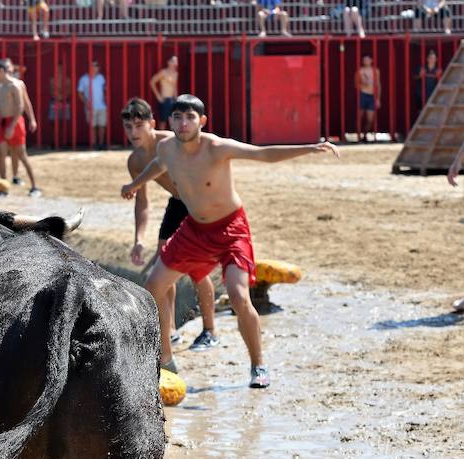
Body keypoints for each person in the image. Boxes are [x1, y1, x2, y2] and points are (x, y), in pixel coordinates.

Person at [121, 94, 339, 388]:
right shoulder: (166, 147)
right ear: (169, 121)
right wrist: (134, 185)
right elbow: (158, 165)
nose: (183, 123)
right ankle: (166, 360)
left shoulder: (216, 147)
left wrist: (309, 148)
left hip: (230, 229)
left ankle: (258, 365)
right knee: (153, 285)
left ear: (202, 121)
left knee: (238, 296)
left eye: (190, 118)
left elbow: (263, 154)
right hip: (194, 229)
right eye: (177, 118)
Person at [122, 97, 218, 351]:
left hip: (200, 202)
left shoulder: (172, 141)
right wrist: (138, 239)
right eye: (128, 127)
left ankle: (210, 330)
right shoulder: (135, 161)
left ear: (152, 124)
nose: (133, 132)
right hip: (177, 203)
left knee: (196, 267)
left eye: (139, 125)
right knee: (164, 260)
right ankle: (171, 329)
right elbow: (141, 203)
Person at [0, 60, 41, 196]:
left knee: (21, 155)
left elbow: (20, 106)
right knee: (1, 154)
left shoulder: (15, 85)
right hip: (2, 122)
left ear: (2, 71)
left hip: (15, 122)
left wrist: (13, 126)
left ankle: (34, 186)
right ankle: (2, 187)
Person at [78, 60, 108, 150]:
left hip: (102, 106)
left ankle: (101, 143)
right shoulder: (84, 79)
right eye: (93, 66)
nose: (94, 68)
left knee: (102, 125)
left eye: (96, 66)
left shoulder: (101, 78)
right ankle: (94, 144)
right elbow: (79, 92)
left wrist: (105, 101)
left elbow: (105, 90)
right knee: (93, 126)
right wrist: (86, 102)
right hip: (90, 107)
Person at [355, 55, 381, 143]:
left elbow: (378, 85)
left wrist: (378, 98)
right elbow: (356, 84)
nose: (366, 61)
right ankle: (358, 136)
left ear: (371, 60)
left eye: (367, 59)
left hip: (372, 96)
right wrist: (363, 85)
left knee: (370, 119)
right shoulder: (360, 71)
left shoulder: (376, 71)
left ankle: (365, 135)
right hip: (363, 94)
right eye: (364, 60)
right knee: (360, 117)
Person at [149, 55, 179, 124]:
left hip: (172, 99)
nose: (175, 63)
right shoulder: (163, 72)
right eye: (173, 61)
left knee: (173, 121)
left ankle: (172, 135)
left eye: (176, 61)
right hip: (164, 99)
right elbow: (152, 82)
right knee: (163, 122)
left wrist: (176, 98)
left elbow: (174, 86)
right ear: (168, 62)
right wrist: (158, 96)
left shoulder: (175, 73)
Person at [48, 63, 72, 143]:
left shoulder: (67, 79)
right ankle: (53, 141)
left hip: (65, 101)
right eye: (58, 68)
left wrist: (62, 98)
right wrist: (57, 98)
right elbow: (51, 90)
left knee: (65, 122)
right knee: (53, 121)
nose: (60, 70)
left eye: (61, 68)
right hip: (54, 100)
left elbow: (69, 91)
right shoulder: (52, 79)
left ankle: (63, 141)